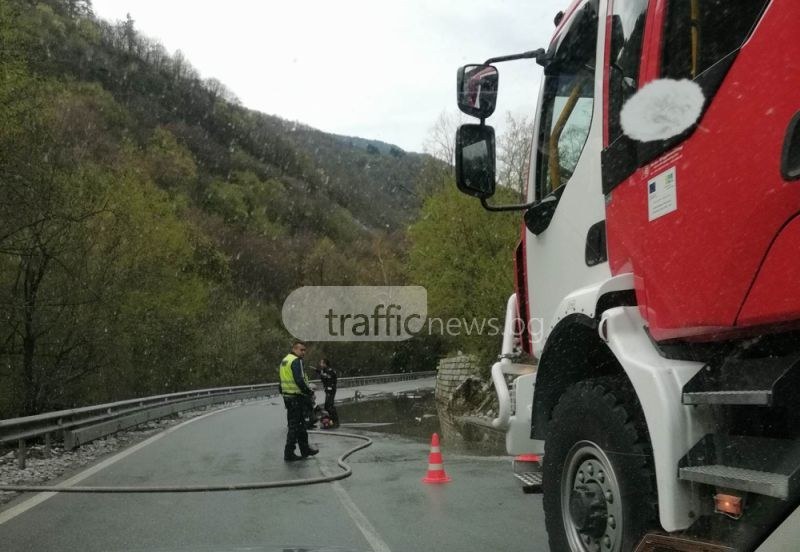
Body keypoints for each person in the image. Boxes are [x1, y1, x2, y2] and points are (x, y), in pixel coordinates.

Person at [278, 340, 319, 462]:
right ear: (294, 349)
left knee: (300, 425)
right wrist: (309, 392)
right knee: (295, 426)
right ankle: (289, 453)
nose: (303, 352)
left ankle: (305, 450)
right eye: (301, 350)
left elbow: (281, 381)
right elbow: (299, 380)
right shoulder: (296, 361)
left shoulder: (285, 360)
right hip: (296, 397)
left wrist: (284, 393)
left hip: (289, 397)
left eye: (304, 350)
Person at [317, 358, 339, 428]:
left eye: (321, 363)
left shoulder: (330, 371)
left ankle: (335, 421)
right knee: (327, 406)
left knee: (329, 406)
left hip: (331, 390)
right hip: (327, 390)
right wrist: (320, 373)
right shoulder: (324, 371)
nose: (320, 364)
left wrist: (323, 375)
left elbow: (330, 379)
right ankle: (329, 421)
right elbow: (324, 378)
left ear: (325, 364)